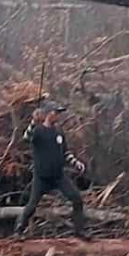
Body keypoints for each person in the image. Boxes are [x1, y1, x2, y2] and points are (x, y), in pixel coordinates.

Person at [14, 100, 90, 240]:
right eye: (56, 112)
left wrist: (76, 163)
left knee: (77, 199)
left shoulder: (59, 132)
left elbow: (65, 153)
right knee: (31, 206)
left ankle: (79, 231)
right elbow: (26, 139)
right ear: (49, 114)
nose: (58, 116)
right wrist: (33, 122)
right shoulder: (38, 131)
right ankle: (18, 231)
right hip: (41, 177)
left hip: (58, 176)